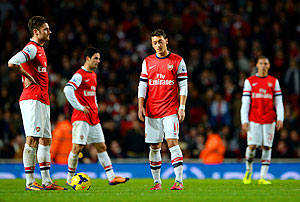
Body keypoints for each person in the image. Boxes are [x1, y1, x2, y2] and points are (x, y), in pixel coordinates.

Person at [7, 16, 66, 190]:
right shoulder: (32, 48)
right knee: (32, 139)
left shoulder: (40, 49)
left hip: (42, 100)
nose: (50, 31)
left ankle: (47, 181)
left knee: (46, 140)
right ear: (36, 31)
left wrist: (27, 74)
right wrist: (26, 76)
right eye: (46, 29)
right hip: (32, 99)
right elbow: (12, 63)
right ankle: (30, 182)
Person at [64, 47, 129, 186]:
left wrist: (96, 106)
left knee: (101, 146)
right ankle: (69, 179)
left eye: (99, 58)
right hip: (81, 117)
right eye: (95, 58)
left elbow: (91, 96)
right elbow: (67, 89)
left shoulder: (93, 75)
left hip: (93, 117)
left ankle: (111, 177)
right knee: (77, 148)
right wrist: (79, 107)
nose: (98, 61)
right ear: (87, 58)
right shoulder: (80, 74)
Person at [138, 29, 188, 190]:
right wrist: (140, 105)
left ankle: (179, 181)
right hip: (152, 110)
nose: (157, 45)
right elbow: (142, 85)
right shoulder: (147, 62)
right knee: (154, 146)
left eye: (160, 41)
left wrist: (182, 107)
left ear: (166, 41)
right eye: (154, 42)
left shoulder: (177, 60)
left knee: (173, 142)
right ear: (151, 44)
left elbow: (183, 85)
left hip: (170, 110)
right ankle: (157, 182)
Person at [240, 56, 284, 185]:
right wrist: (244, 120)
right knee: (252, 146)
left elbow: (279, 102)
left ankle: (262, 177)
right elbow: (245, 102)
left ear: (269, 65)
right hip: (254, 119)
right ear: (257, 65)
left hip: (269, 119)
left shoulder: (274, 82)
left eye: (265, 63)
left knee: (267, 147)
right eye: (261, 63)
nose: (263, 65)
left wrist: (280, 118)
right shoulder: (250, 81)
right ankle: (248, 170)